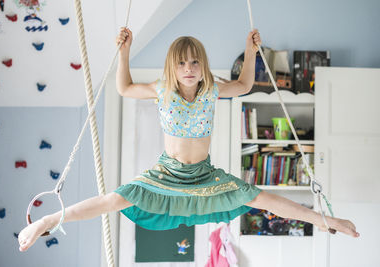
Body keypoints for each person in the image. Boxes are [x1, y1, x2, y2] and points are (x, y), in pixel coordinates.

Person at [18, 27, 359, 252]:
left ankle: (327, 221)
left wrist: (249, 50)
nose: (190, 68)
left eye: (195, 62)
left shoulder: (212, 89)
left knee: (260, 197)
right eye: (182, 63)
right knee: (116, 199)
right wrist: (124, 52)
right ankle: (50, 220)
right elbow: (123, 88)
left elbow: (243, 86)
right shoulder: (162, 90)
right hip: (166, 174)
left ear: (202, 65)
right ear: (173, 66)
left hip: (204, 176)